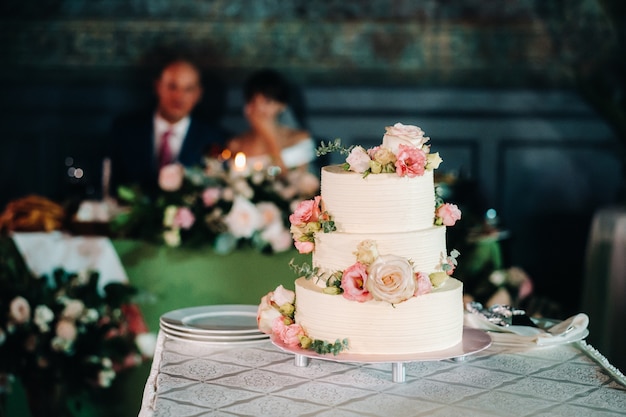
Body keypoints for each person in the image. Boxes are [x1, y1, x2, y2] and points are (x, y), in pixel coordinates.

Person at [108, 57, 226, 195]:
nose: (178, 96)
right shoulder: (125, 130)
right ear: (158, 87)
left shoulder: (214, 138)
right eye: (172, 86)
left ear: (198, 94)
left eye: (188, 89)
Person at [227, 69, 316, 176]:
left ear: (282, 106)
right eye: (253, 101)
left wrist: (268, 135)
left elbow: (289, 181)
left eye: (267, 102)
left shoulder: (300, 139)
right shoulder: (236, 145)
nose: (259, 109)